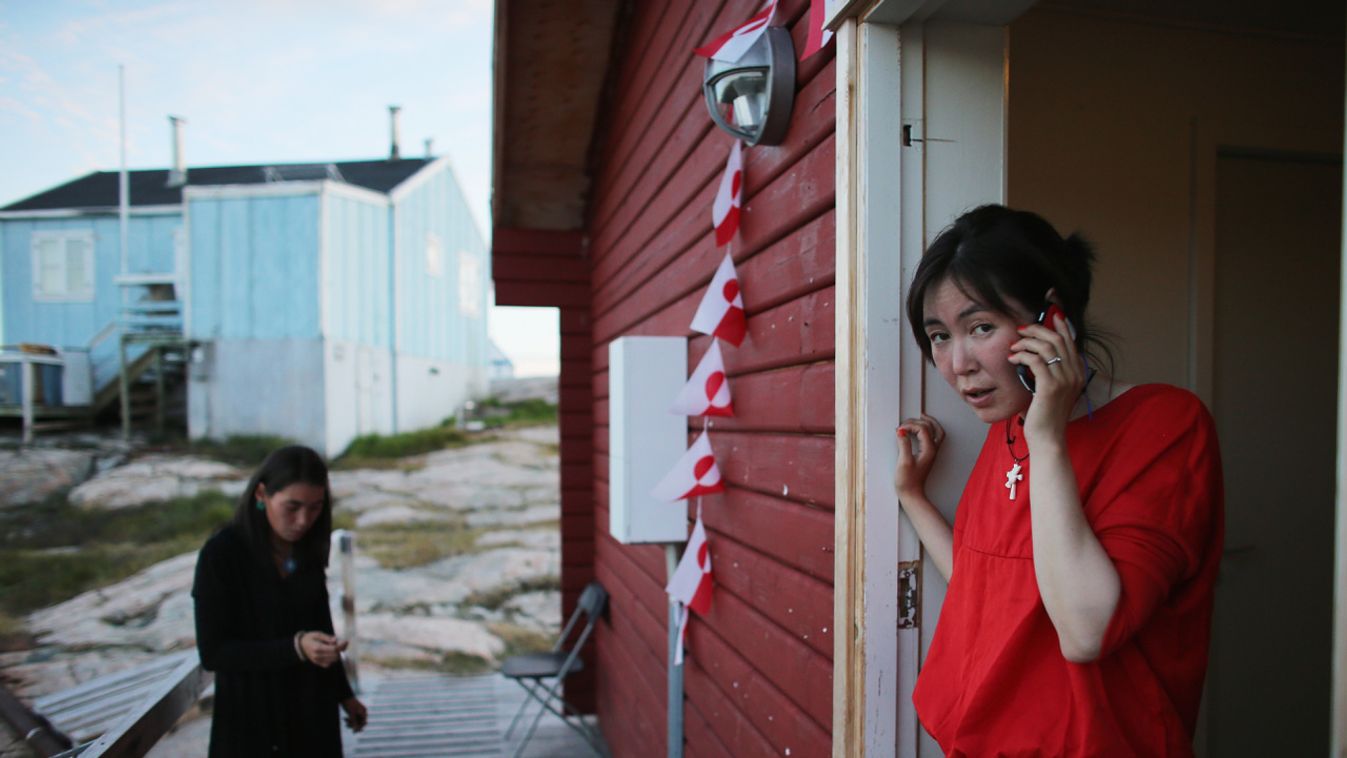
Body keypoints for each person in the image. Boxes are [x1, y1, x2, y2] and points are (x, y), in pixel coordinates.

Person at [895, 205, 1223, 756]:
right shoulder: (1010, 426)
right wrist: (913, 496)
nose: (957, 363)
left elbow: (1086, 631)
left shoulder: (1164, 424)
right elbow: (988, 584)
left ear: (1053, 319)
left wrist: (1047, 438)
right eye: (939, 336)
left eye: (981, 327)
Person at [193, 445, 367, 757]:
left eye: (315, 508)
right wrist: (296, 647)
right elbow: (214, 652)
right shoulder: (221, 554)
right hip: (251, 721)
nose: (303, 520)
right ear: (262, 495)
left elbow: (321, 625)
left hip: (312, 720)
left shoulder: (307, 549)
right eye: (292, 507)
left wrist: (344, 694)